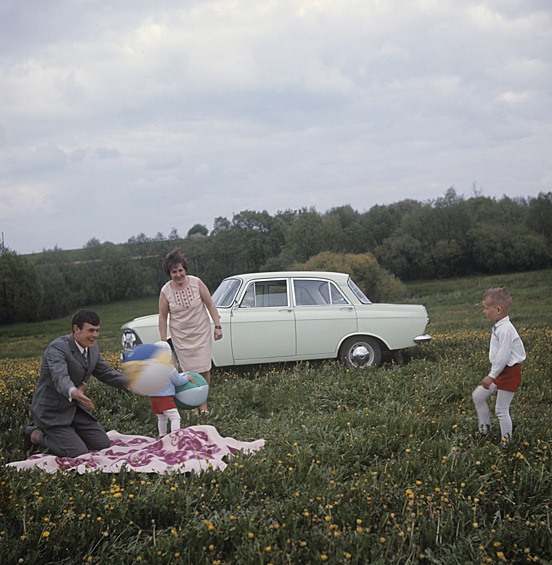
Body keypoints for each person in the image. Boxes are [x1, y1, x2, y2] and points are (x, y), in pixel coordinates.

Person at [24, 309, 130, 458]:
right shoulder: (57, 348)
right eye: (91, 330)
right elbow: (59, 376)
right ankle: (34, 435)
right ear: (76, 329)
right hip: (51, 411)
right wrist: (73, 391)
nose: (95, 335)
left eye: (98, 330)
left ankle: (69, 434)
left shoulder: (93, 348)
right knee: (77, 452)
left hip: (74, 409)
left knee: (102, 444)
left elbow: (105, 373)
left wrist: (134, 383)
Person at [158, 248, 222, 414]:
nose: (178, 274)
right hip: (181, 337)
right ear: (169, 273)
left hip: (201, 333)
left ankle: (204, 405)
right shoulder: (165, 291)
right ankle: (193, 406)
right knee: (188, 373)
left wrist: (217, 326)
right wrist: (164, 340)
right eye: (174, 272)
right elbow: (162, 317)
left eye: (180, 270)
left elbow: (210, 304)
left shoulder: (196, 283)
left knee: (205, 369)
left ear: (185, 269)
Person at [472, 287, 526, 445]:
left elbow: (503, 357)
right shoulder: (500, 326)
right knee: (478, 396)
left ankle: (506, 444)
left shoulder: (506, 330)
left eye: (486, 308)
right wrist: (494, 374)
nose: (484, 311)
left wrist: (491, 376)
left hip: (509, 372)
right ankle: (484, 430)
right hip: (500, 371)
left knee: (501, 410)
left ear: (498, 309)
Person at [149, 342, 196, 436]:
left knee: (161, 418)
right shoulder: (169, 368)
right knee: (175, 417)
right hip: (165, 398)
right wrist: (187, 377)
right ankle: (175, 436)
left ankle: (162, 435)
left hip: (153, 399)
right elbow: (178, 381)